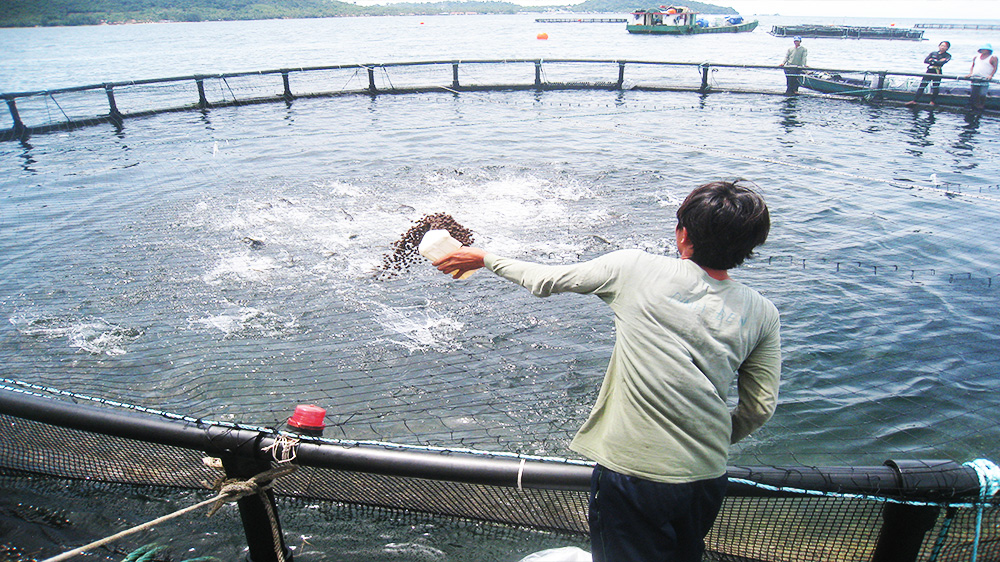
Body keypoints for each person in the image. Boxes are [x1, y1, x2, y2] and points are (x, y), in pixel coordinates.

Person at [434, 180, 782, 562]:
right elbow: (760, 406)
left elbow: (547, 279)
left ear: (683, 234)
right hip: (706, 476)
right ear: (751, 246)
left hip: (634, 476)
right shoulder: (763, 312)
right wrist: (708, 437)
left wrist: (485, 258)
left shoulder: (635, 268)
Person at [906, 41, 952, 106]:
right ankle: (914, 100)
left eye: (944, 46)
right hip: (929, 70)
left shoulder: (947, 55)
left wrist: (932, 60)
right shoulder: (933, 53)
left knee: (935, 87)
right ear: (939, 46)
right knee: (922, 86)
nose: (942, 47)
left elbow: (941, 63)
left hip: (937, 71)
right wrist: (935, 61)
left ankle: (932, 101)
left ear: (947, 48)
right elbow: (926, 61)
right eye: (941, 45)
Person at [966, 44, 998, 111]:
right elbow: (973, 66)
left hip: (985, 77)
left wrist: (991, 75)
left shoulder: (993, 57)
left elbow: (995, 67)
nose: (983, 50)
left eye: (985, 49)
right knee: (974, 92)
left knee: (982, 93)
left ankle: (981, 106)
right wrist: (970, 73)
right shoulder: (976, 57)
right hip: (975, 77)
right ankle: (973, 105)